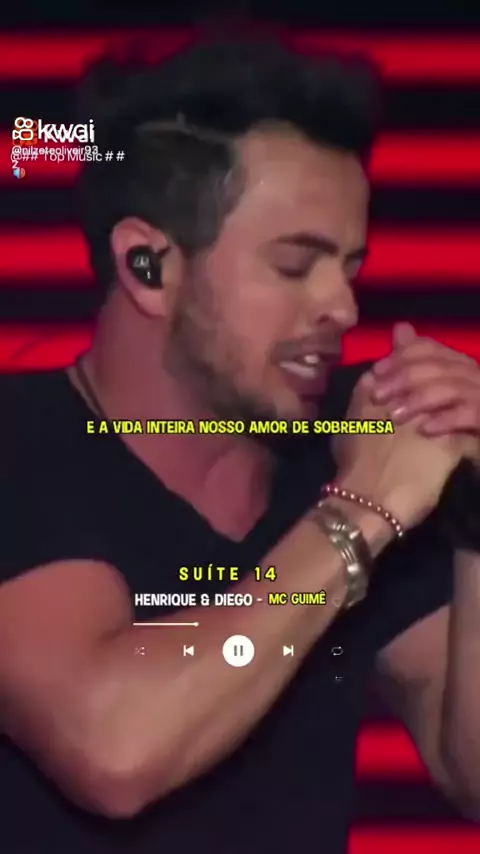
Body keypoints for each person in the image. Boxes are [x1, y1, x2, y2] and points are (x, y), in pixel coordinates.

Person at [1, 34, 480, 854]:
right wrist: (357, 515)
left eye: (349, 268)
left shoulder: (338, 443)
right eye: (295, 267)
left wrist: (473, 515)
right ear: (147, 265)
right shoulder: (24, 441)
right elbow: (115, 748)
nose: (343, 308)